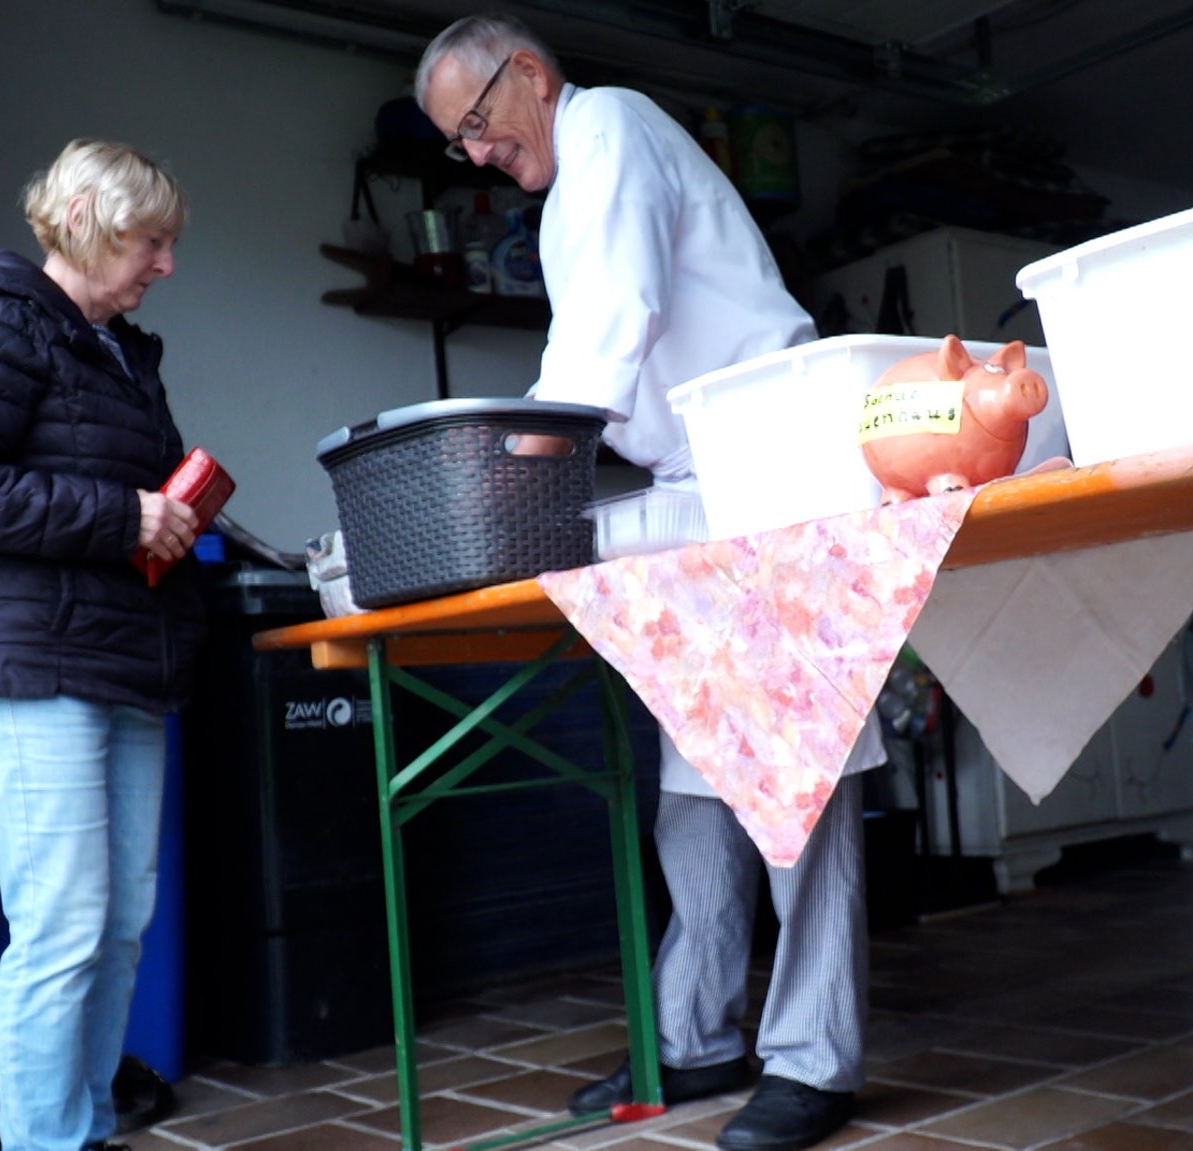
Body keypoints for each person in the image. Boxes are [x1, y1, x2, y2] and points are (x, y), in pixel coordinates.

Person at [418, 17, 882, 1151]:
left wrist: (513, 453)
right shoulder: (569, 189)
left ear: (527, 74)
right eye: (455, 146)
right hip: (699, 479)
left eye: (474, 124)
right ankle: (696, 1031)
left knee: (797, 775)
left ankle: (813, 1057)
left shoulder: (611, 124)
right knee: (694, 774)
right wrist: (523, 447)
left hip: (777, 463)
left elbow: (610, 322)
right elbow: (604, 354)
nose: (474, 154)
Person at [0, 138, 204, 1151]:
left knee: (117, 926)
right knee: (63, 927)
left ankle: (82, 1129)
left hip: (118, 658)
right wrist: (124, 516)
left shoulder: (116, 349)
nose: (165, 265)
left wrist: (169, 514)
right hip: (33, 665)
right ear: (82, 216)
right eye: (149, 241)